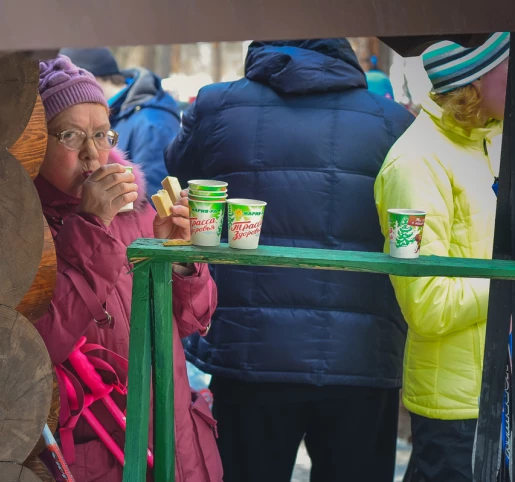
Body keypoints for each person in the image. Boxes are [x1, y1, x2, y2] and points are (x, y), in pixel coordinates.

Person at [166, 38, 414, 482]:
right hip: (363, 355)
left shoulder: (217, 106)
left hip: (249, 350)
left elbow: (179, 181)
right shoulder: (393, 120)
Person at [375, 33, 515, 481]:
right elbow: (427, 303)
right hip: (459, 407)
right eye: (511, 64)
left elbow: (485, 244)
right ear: (472, 80)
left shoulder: (493, 141)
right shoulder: (413, 164)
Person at [34, 55, 222, 481]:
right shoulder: (25, 232)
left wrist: (181, 260)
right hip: (104, 452)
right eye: (70, 135)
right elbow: (44, 342)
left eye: (101, 135)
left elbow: (194, 320)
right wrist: (90, 226)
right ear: (35, 144)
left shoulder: (135, 211)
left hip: (177, 442)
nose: (91, 154)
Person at [61, 48, 181, 197]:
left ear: (90, 79)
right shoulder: (114, 111)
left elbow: (155, 198)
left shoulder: (152, 123)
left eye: (72, 87)